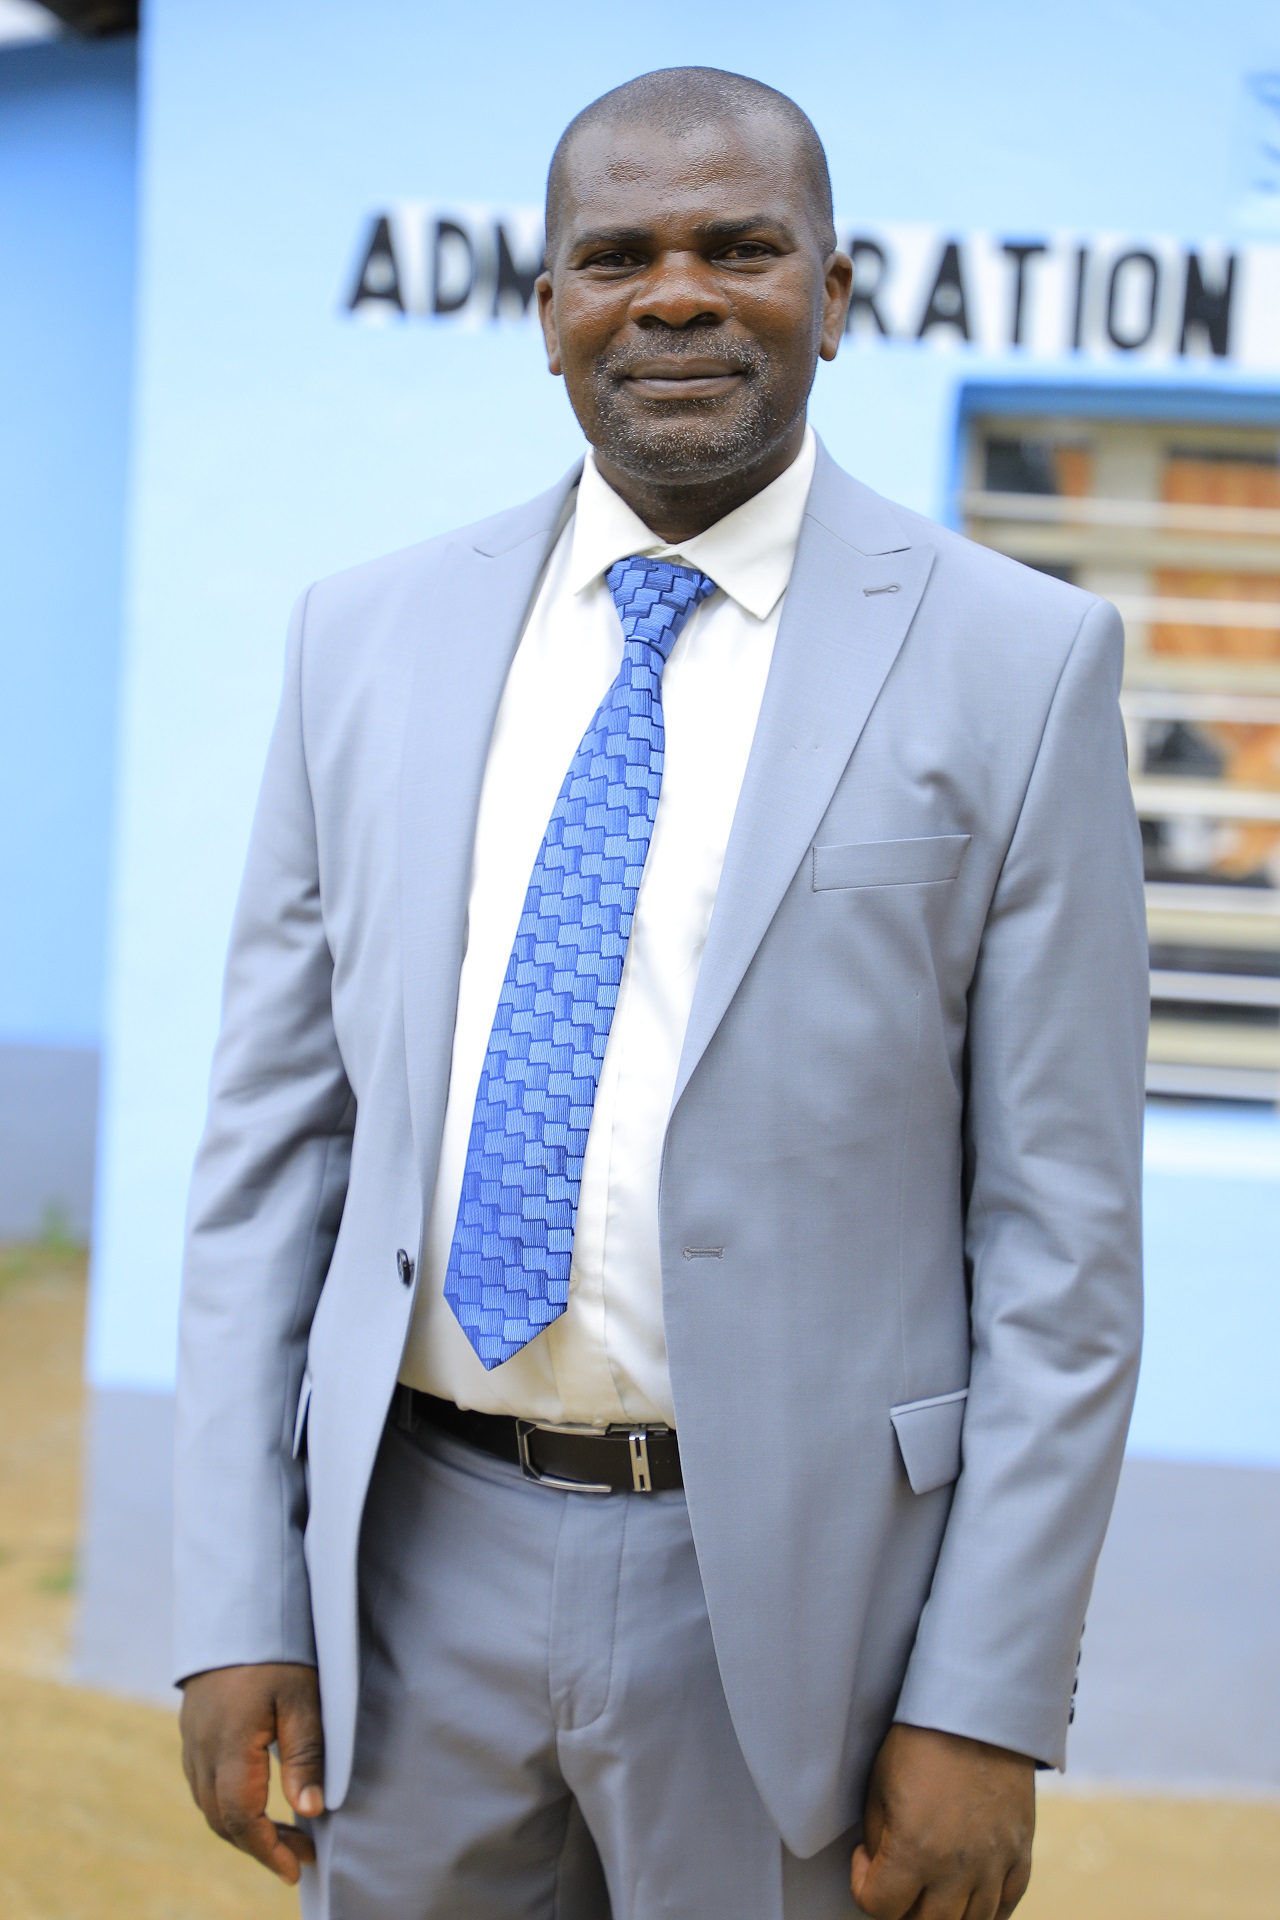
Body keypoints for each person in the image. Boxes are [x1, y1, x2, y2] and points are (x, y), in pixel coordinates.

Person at [175, 65, 1147, 1920]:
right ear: (549, 311)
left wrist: (984, 1699)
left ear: (833, 296)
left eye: (739, 247)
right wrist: (234, 1598)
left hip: (795, 1605)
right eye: (618, 255)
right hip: (412, 1564)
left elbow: (1063, 1243)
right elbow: (270, 1158)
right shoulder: (362, 640)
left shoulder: (1021, 665)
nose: (676, 295)